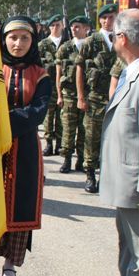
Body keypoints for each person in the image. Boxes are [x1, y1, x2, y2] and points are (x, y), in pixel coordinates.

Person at [0, 16, 50, 276]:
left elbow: (38, 111)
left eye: (24, 38)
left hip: (25, 149)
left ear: (32, 41)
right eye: (12, 37)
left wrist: (3, 121)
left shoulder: (40, 74)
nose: (17, 43)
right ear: (2, 40)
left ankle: (10, 264)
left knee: (19, 205)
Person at [96, 8, 139, 276]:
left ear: (121, 38)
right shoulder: (129, 71)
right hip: (125, 181)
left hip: (135, 181)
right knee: (127, 242)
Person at [76, 3, 119, 193]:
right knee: (91, 137)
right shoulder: (91, 41)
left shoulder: (123, 40)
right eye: (105, 18)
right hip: (94, 98)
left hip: (118, 99)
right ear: (99, 20)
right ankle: (90, 175)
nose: (108, 21)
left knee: (112, 139)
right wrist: (80, 96)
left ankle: (106, 176)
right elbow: (79, 68)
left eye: (112, 17)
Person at [55, 16, 89, 173]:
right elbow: (58, 73)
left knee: (84, 129)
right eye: (73, 27)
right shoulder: (65, 48)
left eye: (78, 27)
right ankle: (67, 159)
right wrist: (59, 95)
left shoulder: (90, 47)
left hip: (88, 95)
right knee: (68, 129)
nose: (74, 29)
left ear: (86, 28)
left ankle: (81, 160)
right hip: (68, 94)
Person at [39, 14, 66, 156]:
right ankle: (49, 143)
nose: (55, 27)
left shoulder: (68, 43)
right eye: (53, 25)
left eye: (58, 25)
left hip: (65, 86)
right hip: (48, 85)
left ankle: (60, 144)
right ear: (49, 27)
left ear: (62, 26)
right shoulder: (43, 45)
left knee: (62, 116)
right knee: (49, 116)